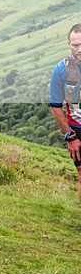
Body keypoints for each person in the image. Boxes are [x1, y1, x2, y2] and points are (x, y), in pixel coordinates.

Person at [49, 23, 81, 203]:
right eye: (75, 45)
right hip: (77, 128)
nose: (80, 49)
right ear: (69, 44)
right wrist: (70, 137)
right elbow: (55, 106)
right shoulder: (61, 69)